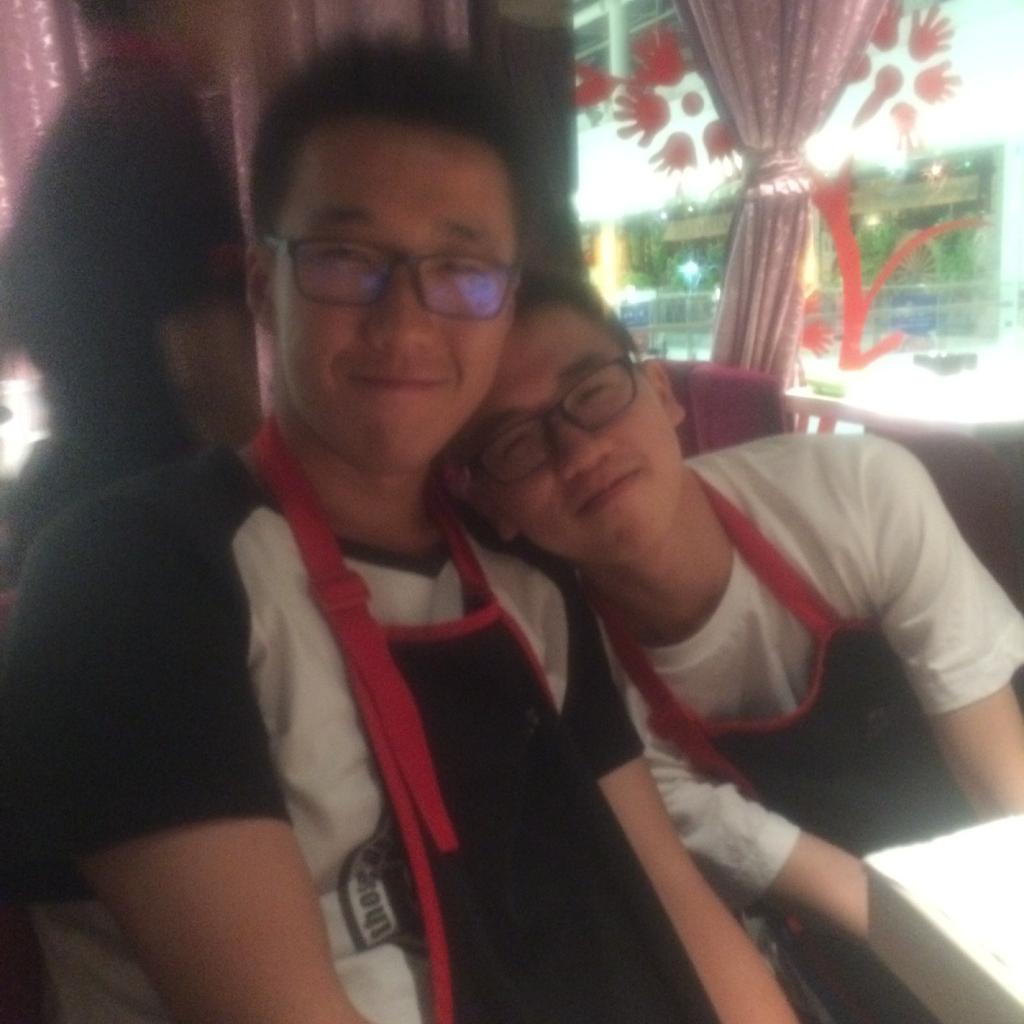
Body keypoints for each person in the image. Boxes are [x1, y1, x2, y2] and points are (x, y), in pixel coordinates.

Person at [0, 42, 799, 1024]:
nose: (407, 322)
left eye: (461, 270)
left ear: (506, 304)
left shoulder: (530, 579)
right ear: (261, 285)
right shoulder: (133, 575)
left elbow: (670, 899)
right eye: (347, 259)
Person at [456, 270, 1024, 1013]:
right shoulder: (585, 701)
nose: (579, 453)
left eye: (592, 392)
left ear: (663, 393)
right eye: (515, 443)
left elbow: (1003, 783)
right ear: (492, 504)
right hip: (848, 924)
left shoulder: (858, 495)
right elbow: (838, 890)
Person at [0, 0, 260, 579]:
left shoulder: (92, 113)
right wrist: (265, 503)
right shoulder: (154, 120)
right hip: (147, 510)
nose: (242, 21)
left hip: (76, 497)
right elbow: (208, 357)